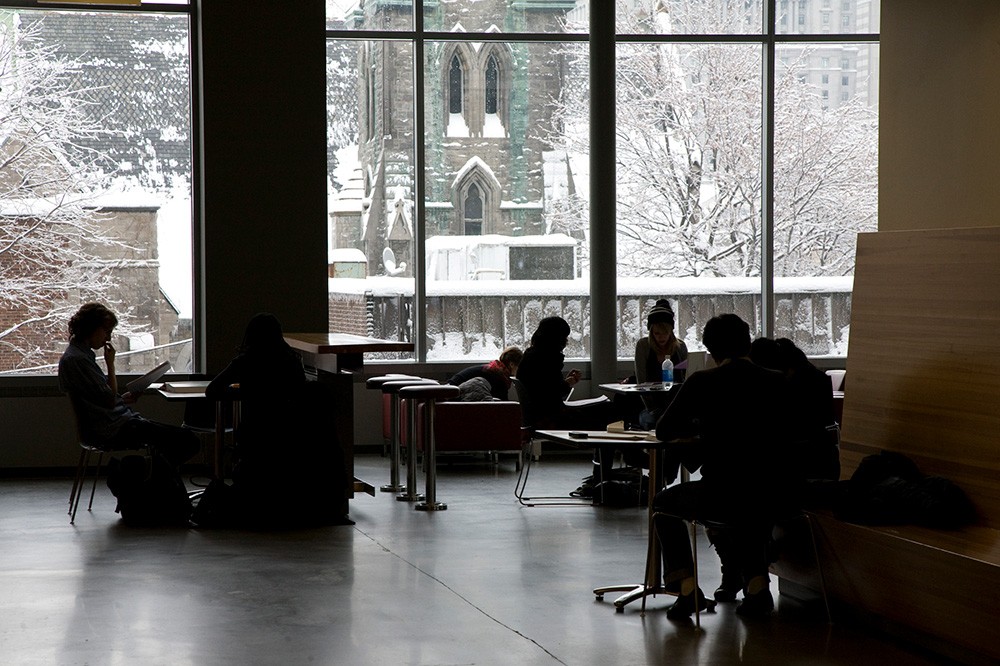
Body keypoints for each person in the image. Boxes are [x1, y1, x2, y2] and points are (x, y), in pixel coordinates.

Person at [652, 314, 794, 619]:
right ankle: (757, 587)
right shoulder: (778, 381)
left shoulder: (703, 382)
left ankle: (687, 588)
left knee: (663, 506)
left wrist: (700, 429)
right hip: (775, 492)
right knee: (751, 509)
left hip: (721, 492)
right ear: (747, 343)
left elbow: (664, 431)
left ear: (710, 349)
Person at [58, 302, 200, 467]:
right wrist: (110, 365)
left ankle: (150, 476)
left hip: (113, 424)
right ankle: (146, 475)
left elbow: (98, 399)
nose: (108, 338)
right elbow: (109, 400)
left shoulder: (77, 356)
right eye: (107, 331)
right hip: (113, 429)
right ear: (92, 328)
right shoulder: (78, 360)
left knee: (175, 441)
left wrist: (122, 399)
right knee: (189, 441)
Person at [516, 316, 621, 487]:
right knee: (609, 416)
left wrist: (566, 383)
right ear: (556, 339)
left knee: (607, 411)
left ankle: (601, 476)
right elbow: (554, 393)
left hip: (537, 416)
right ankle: (603, 477)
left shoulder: (531, 356)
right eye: (564, 338)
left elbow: (547, 390)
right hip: (551, 418)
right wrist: (569, 383)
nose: (566, 342)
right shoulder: (548, 359)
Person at [633, 299, 689, 429]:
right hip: (650, 405)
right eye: (657, 333)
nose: (661, 337)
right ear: (651, 332)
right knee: (653, 421)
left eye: (665, 333)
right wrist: (652, 408)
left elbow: (685, 377)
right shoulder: (643, 346)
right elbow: (641, 381)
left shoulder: (680, 348)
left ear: (671, 331)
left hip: (676, 404)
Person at [447, 346, 523, 401]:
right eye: (520, 366)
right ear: (512, 364)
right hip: (453, 396)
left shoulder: (493, 369)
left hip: (449, 391)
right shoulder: (500, 377)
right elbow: (503, 405)